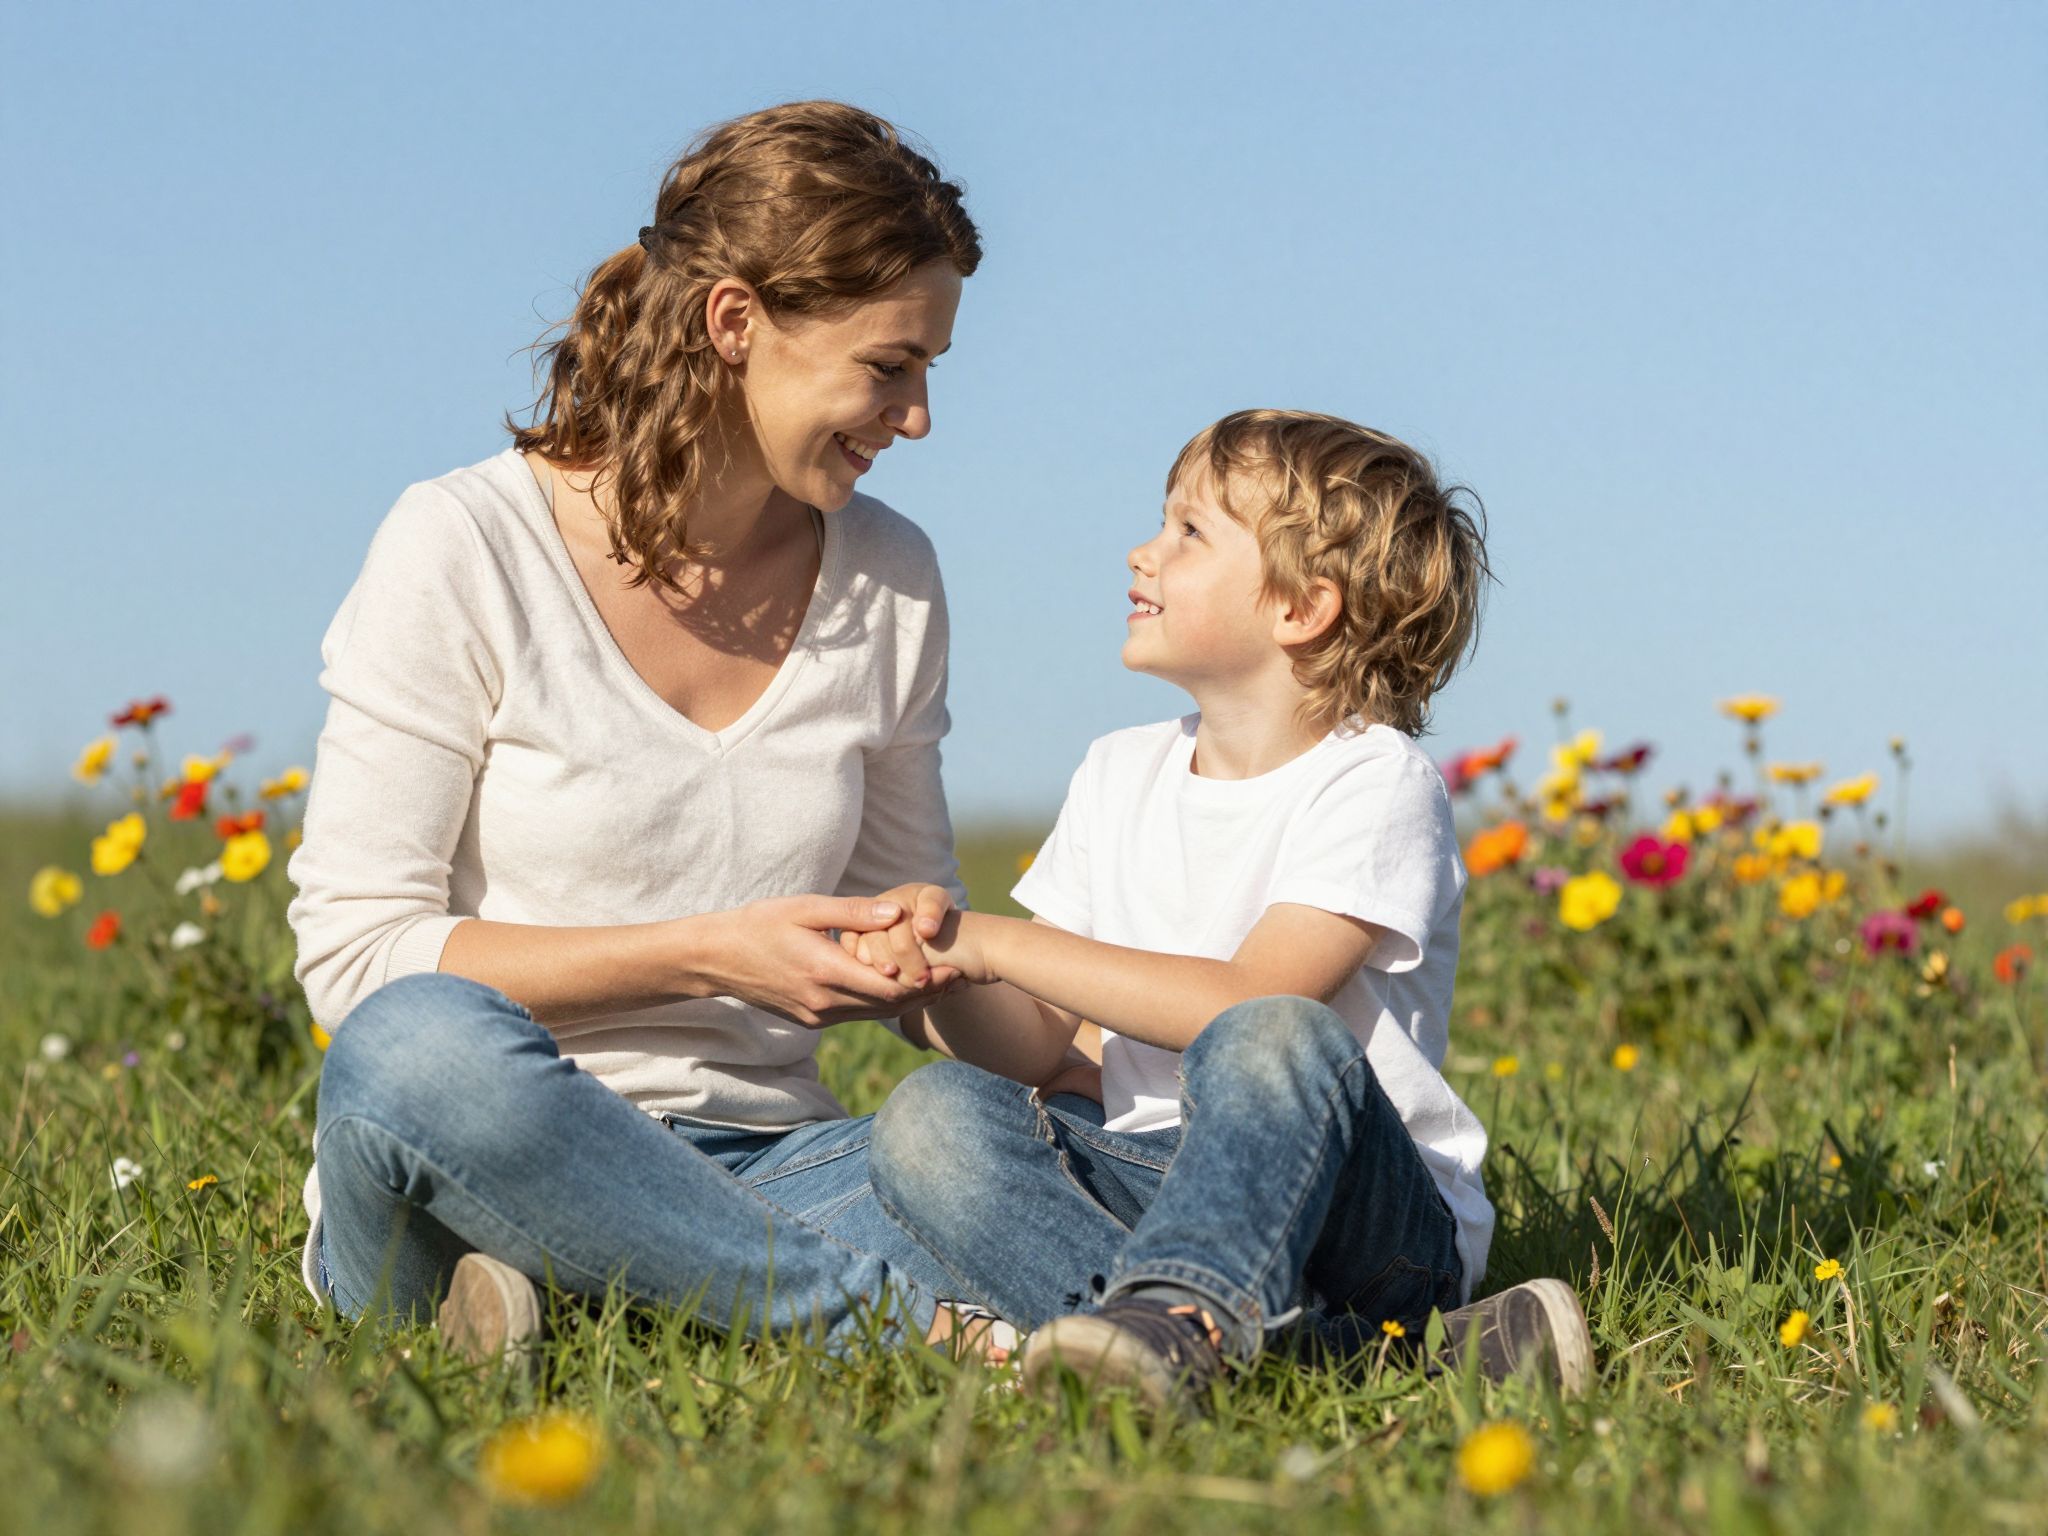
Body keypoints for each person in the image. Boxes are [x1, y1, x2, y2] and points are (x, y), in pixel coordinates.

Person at [288, 100, 992, 1361]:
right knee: (414, 1050)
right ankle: (892, 1328)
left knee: (976, 1149)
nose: (918, 415)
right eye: (890, 366)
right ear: (736, 323)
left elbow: (907, 926)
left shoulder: (891, 574)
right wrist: (708, 954)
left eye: (929, 368)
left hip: (764, 1166)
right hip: (482, 1132)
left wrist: (1091, 1021)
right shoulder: (464, 544)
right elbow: (357, 960)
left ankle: (595, 1300)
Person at [850, 409, 1594, 1411]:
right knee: (930, 1119)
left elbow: (1245, 1002)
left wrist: (999, 940)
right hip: (1159, 1180)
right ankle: (1262, 1355)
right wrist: (932, 978)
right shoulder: (1116, 773)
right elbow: (1035, 1047)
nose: (1141, 552)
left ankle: (1179, 1320)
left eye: (1187, 533)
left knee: (1275, 1036)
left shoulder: (1375, 783)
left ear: (1300, 607)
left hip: (1362, 1227)